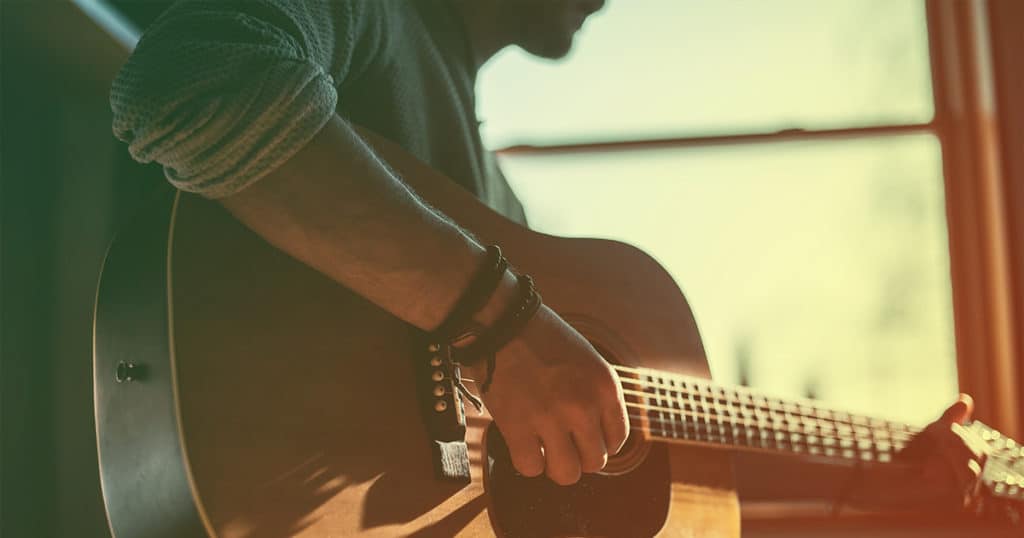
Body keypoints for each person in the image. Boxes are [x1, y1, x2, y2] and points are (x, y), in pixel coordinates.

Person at [111, 0, 987, 511]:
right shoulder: (372, 18)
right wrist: (496, 324)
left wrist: (876, 475)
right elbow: (190, 79)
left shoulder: (501, 208)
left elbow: (636, 456)